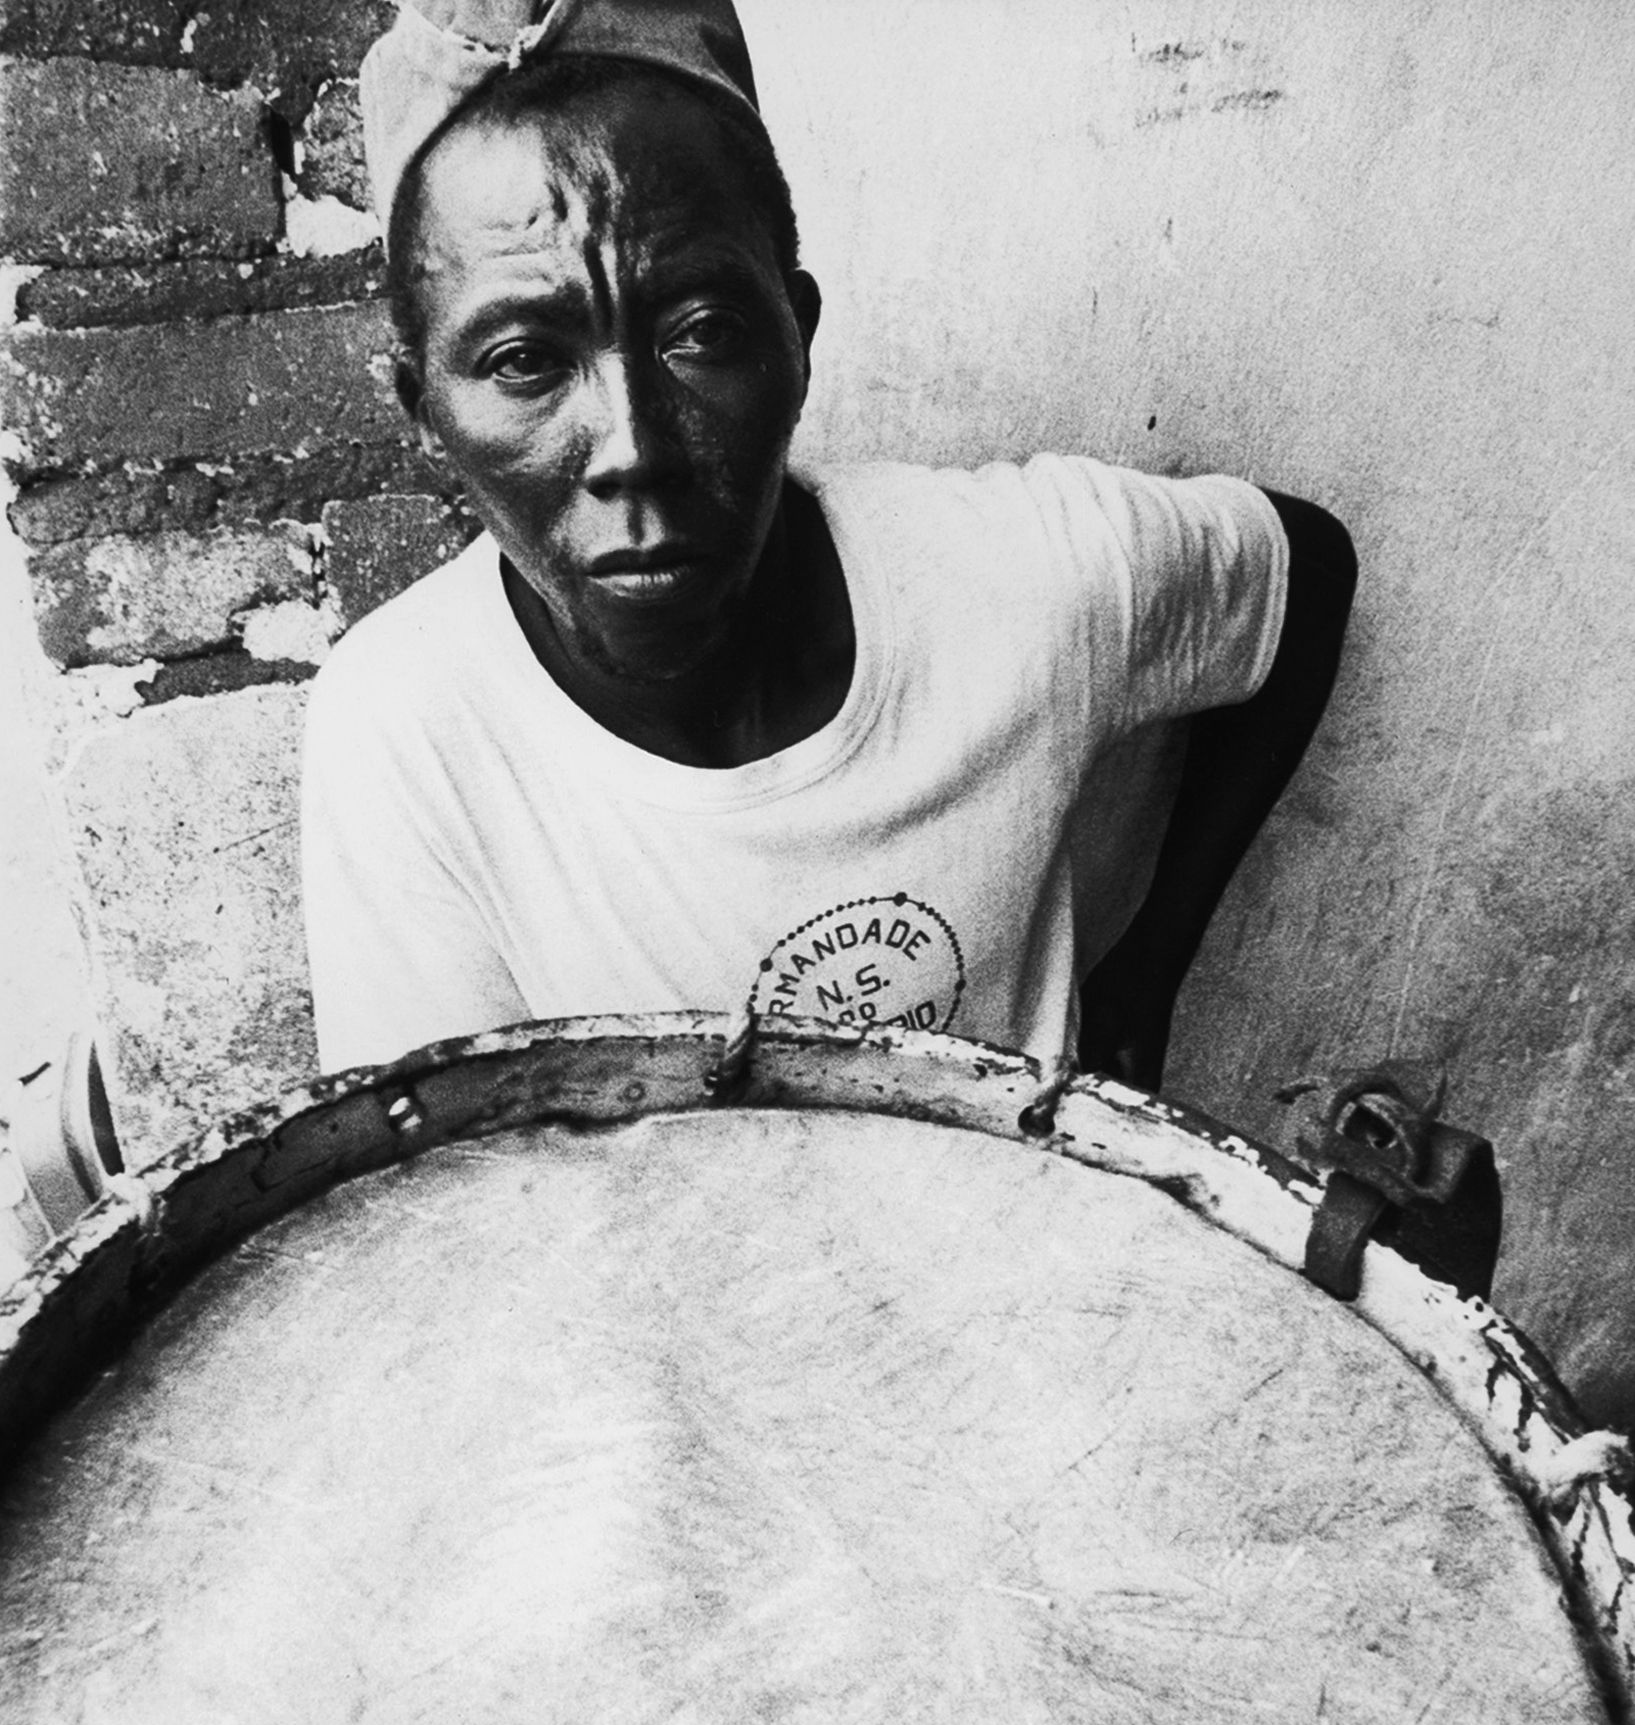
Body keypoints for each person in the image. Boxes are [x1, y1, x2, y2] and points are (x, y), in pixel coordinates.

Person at [302, 0, 1357, 1090]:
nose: (633, 448)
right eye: (525, 359)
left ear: (797, 336)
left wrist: (1147, 970)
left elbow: (1305, 568)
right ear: (422, 405)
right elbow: (449, 1182)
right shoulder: (403, 729)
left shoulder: (1017, 577)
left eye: (701, 333)